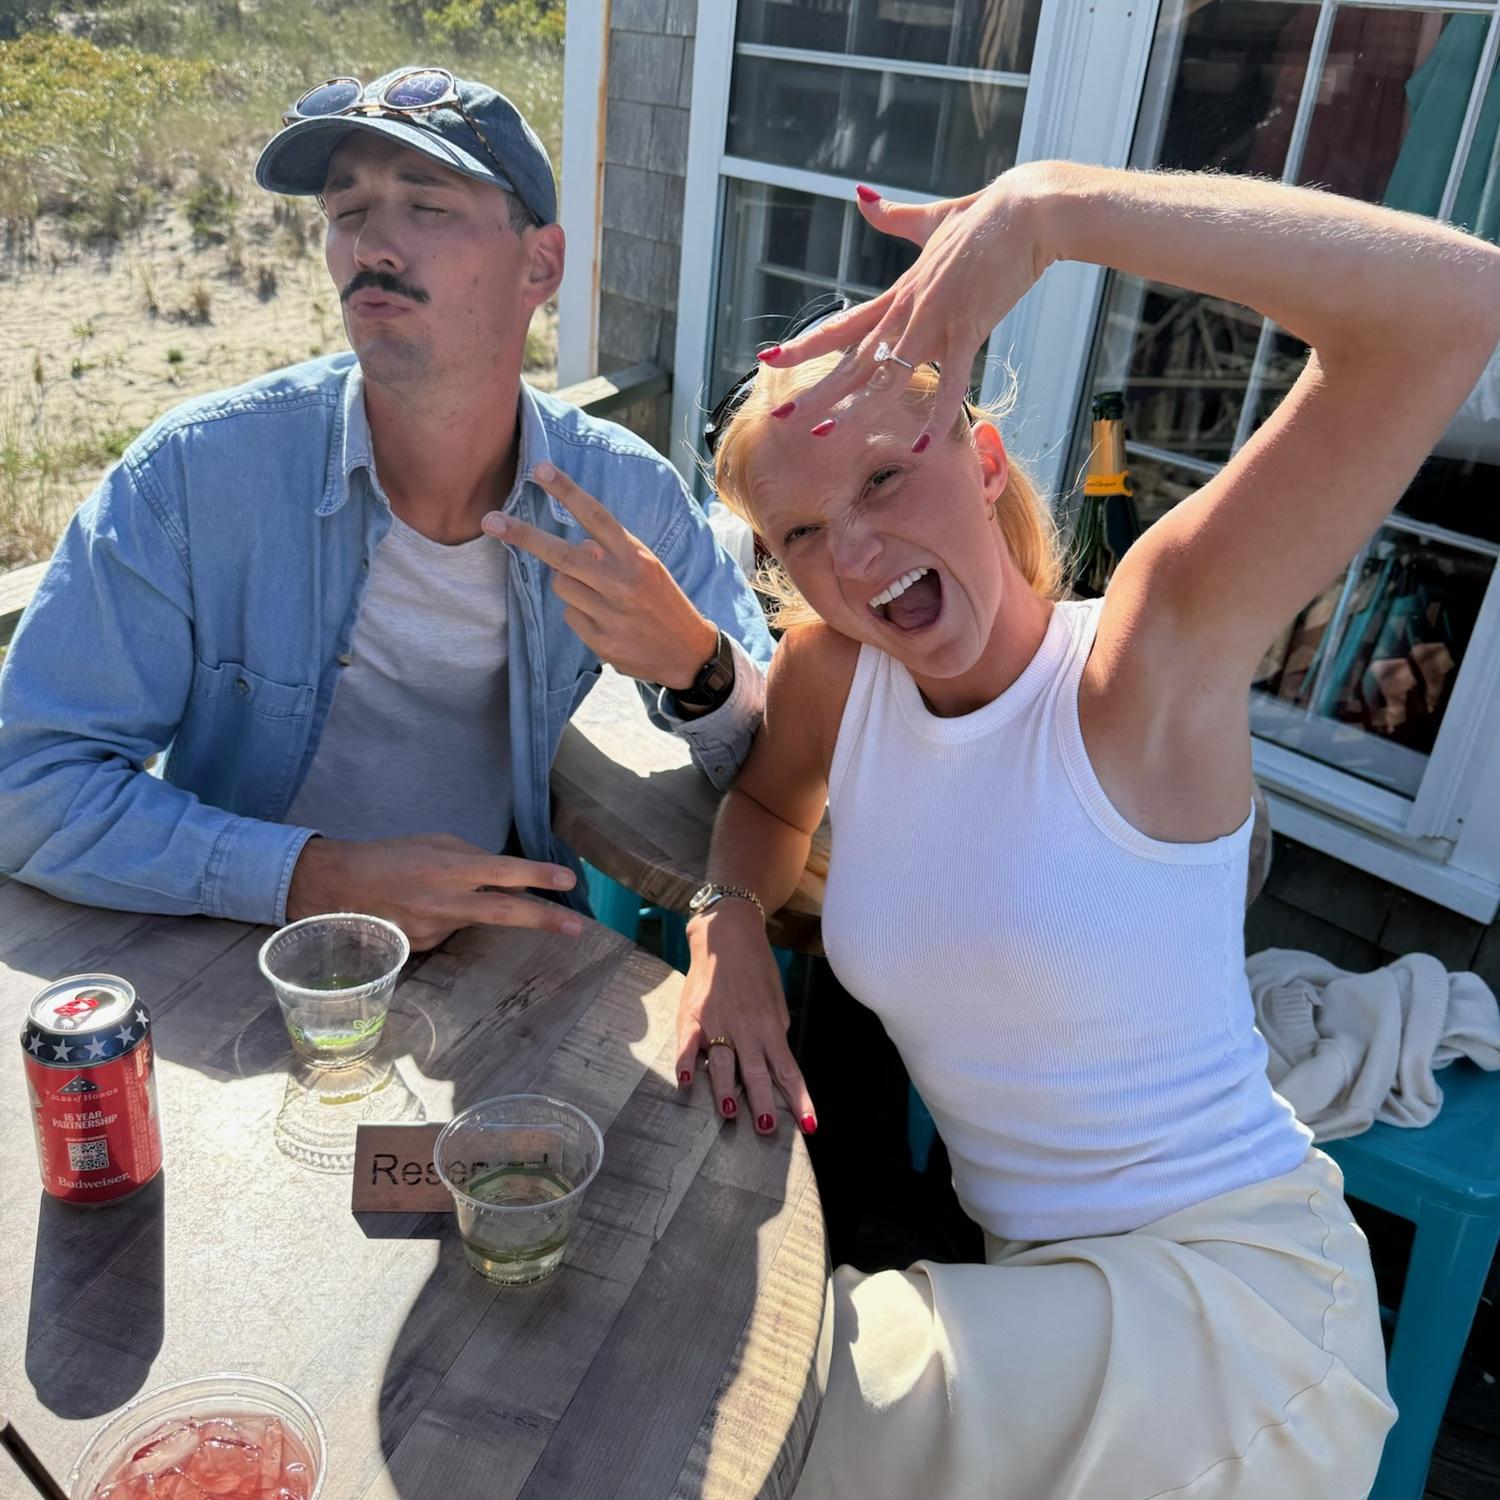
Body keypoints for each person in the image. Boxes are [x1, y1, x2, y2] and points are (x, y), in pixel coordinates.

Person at [675, 163, 1499, 1497]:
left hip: (1237, 1313)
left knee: (773, 1401)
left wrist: (1055, 212)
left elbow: (1455, 306)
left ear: (984, 458)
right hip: (1038, 1306)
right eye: (806, 531)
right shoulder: (839, 680)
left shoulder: (1144, 661)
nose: (858, 553)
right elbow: (767, 804)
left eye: (885, 475)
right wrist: (729, 931)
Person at [0, 67, 772, 951]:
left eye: (427, 206)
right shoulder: (195, 477)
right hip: (230, 947)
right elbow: (28, 783)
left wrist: (697, 665)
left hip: (495, 946)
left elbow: (780, 767)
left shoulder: (620, 493)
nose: (372, 245)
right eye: (347, 210)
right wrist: (310, 878)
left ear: (540, 264)